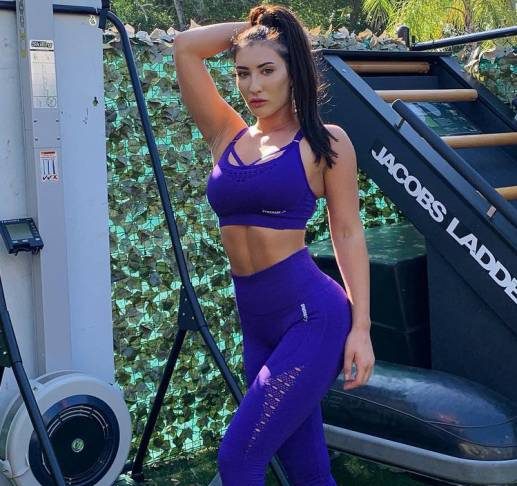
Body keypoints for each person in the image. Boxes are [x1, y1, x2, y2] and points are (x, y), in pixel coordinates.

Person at [173, 4, 374, 484]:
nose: (253, 86)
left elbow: (348, 233)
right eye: (243, 73)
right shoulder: (226, 134)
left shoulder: (324, 143)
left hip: (312, 318)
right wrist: (253, 30)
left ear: (293, 71)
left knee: (238, 457)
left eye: (267, 70)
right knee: (305, 469)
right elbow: (185, 47)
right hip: (257, 324)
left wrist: (362, 329)